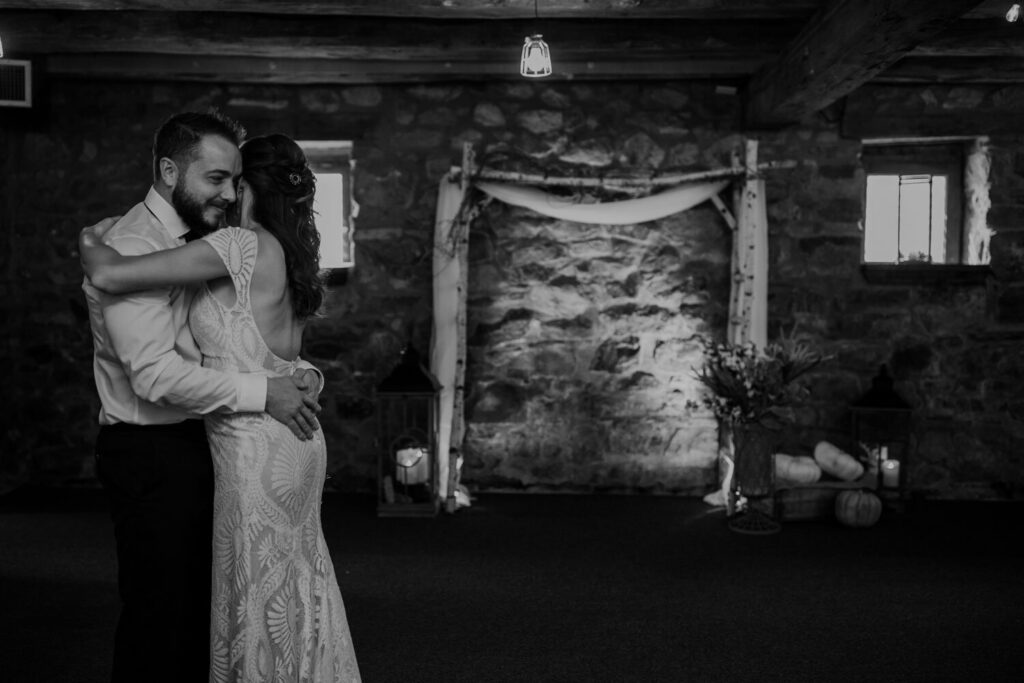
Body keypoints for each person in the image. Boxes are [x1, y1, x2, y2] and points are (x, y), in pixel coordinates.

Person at [81, 132, 361, 682]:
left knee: (259, 597)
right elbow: (283, 359)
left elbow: (111, 274)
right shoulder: (293, 250)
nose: (228, 192)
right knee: (299, 584)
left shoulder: (238, 246)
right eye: (219, 179)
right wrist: (306, 379)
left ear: (249, 186)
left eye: (235, 181)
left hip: (255, 446)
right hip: (295, 441)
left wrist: (88, 241)